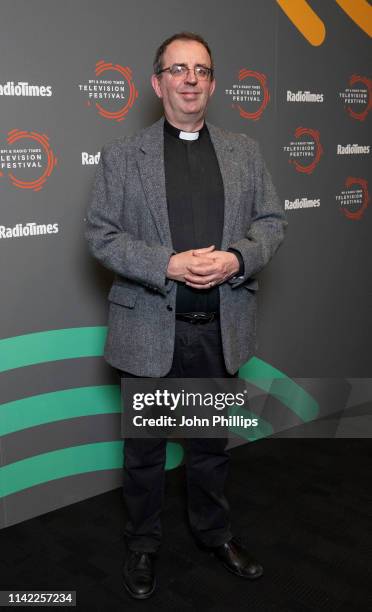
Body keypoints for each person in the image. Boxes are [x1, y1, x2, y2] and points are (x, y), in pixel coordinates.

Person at [85, 32, 287, 600]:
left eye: (201, 69)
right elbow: (101, 235)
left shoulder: (245, 151)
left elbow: (273, 221)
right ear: (158, 83)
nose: (191, 79)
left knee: (209, 448)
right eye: (178, 69)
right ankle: (144, 545)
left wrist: (238, 257)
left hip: (215, 332)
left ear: (213, 83)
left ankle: (213, 534)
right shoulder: (123, 157)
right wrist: (167, 263)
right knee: (145, 454)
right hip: (151, 330)